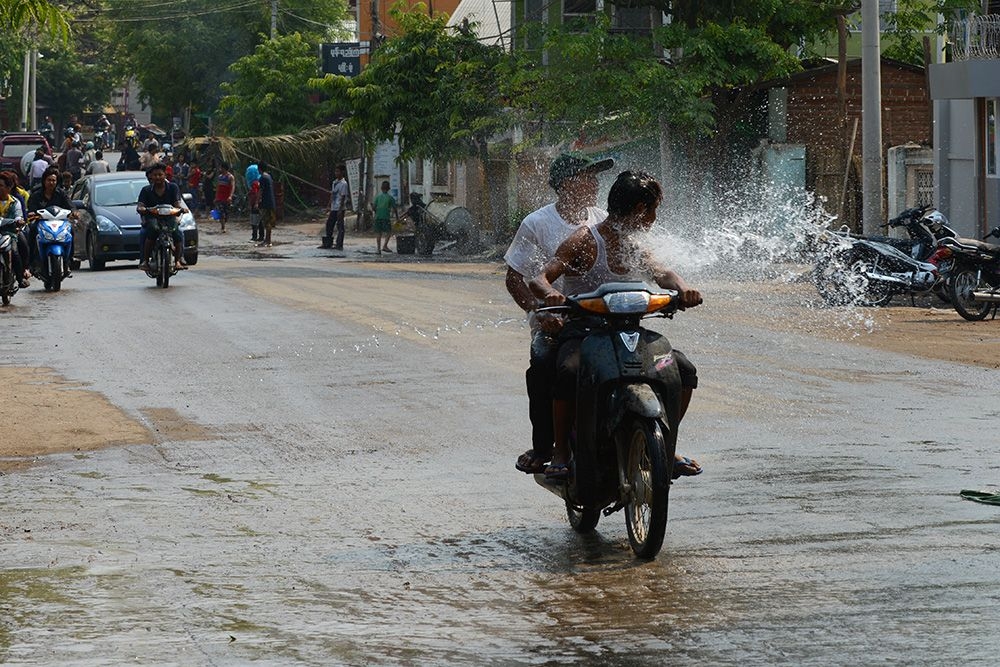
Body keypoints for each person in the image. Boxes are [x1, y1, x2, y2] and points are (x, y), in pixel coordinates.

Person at [529, 170, 703, 481]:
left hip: (630, 332)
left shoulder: (633, 243)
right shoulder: (583, 240)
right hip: (583, 333)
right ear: (639, 210)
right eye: (652, 209)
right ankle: (560, 451)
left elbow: (662, 274)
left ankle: (666, 443)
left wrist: (683, 287)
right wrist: (552, 293)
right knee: (569, 372)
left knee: (683, 370)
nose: (653, 217)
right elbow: (540, 278)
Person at [504, 152, 614, 474]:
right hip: (555, 320)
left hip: (599, 315)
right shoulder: (536, 223)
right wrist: (539, 312)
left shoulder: (601, 218)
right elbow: (514, 278)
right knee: (542, 366)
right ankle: (543, 448)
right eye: (587, 176)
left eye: (595, 176)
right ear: (566, 184)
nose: (595, 183)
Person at [26, 166, 77, 278]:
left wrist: (74, 212)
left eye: (54, 180)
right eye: (49, 180)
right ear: (44, 181)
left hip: (60, 224)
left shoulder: (61, 194)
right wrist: (32, 214)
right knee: (32, 231)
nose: (51, 183)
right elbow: (31, 209)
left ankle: (69, 260)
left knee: (71, 231)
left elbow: (70, 206)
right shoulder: (36, 195)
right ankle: (31, 262)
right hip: (41, 223)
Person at [136, 162, 187, 272]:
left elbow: (177, 203)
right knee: (149, 232)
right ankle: (145, 261)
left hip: (169, 219)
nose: (158, 177)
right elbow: (140, 205)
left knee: (178, 233)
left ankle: (178, 260)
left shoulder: (173, 187)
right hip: (152, 219)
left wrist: (181, 209)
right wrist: (142, 209)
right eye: (155, 175)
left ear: (165, 175)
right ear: (151, 177)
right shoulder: (146, 190)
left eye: (160, 175)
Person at [0, 171, 30, 288]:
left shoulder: (15, 202)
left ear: (9, 187)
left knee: (16, 251)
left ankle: (20, 277)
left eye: (1, 186)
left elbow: (19, 216)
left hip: (10, 232)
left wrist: (19, 221)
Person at [323, 164, 350, 250]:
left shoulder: (344, 184)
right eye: (335, 171)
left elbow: (343, 197)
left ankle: (339, 244)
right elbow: (332, 195)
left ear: (342, 172)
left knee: (340, 227)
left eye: (338, 171)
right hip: (333, 207)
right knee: (329, 224)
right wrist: (328, 206)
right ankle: (328, 243)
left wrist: (340, 209)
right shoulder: (334, 183)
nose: (336, 173)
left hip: (339, 208)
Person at [372, 180, 398, 255]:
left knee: (378, 233)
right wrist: (397, 218)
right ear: (389, 188)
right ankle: (385, 246)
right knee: (389, 232)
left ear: (381, 188)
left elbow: (373, 207)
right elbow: (395, 209)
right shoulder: (390, 198)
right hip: (386, 217)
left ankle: (378, 249)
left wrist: (376, 211)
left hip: (378, 217)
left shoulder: (377, 197)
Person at [257, 163, 275, 247]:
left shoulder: (262, 178)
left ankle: (268, 241)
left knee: (266, 222)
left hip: (265, 203)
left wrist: (257, 202)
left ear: (259, 169)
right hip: (271, 202)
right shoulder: (269, 176)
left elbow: (260, 191)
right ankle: (267, 240)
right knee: (268, 222)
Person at [213, 162, 234, 233]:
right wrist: (216, 197)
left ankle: (224, 222)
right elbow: (218, 188)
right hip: (220, 198)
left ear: (224, 168)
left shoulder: (230, 177)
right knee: (221, 212)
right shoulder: (220, 177)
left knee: (226, 212)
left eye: (221, 167)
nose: (220, 169)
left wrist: (230, 196)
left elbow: (232, 187)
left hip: (227, 198)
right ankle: (223, 226)